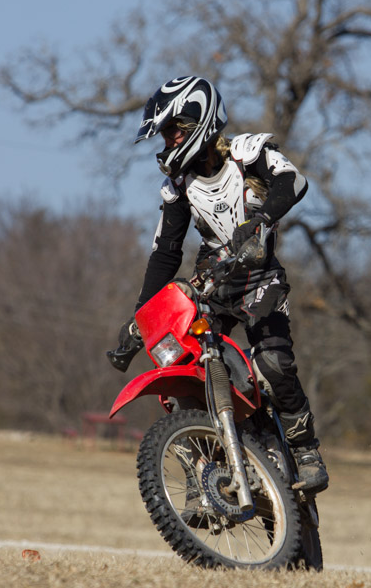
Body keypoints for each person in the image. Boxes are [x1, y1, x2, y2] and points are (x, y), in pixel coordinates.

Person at [107, 76, 329, 492]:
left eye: (175, 129)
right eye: (165, 133)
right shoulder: (178, 186)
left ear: (200, 119)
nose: (169, 140)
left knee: (273, 364)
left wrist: (260, 222)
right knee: (182, 365)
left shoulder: (248, 153)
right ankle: (201, 470)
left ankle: (306, 452)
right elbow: (165, 253)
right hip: (213, 283)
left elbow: (294, 182)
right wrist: (142, 316)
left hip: (261, 276)